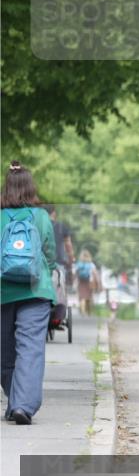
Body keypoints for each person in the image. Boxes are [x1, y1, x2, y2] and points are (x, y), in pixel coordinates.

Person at [1, 161, 58, 425]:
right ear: (30, 188)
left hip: (2, 293)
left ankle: (16, 402)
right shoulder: (41, 216)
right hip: (36, 291)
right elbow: (49, 255)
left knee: (4, 352)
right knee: (31, 348)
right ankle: (22, 405)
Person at [75, 248, 99, 316]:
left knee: (82, 297)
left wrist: (74, 279)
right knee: (89, 297)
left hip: (81, 282)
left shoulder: (79, 264)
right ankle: (89, 312)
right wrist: (98, 283)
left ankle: (82, 311)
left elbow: (75, 272)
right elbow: (95, 273)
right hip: (90, 282)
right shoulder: (91, 264)